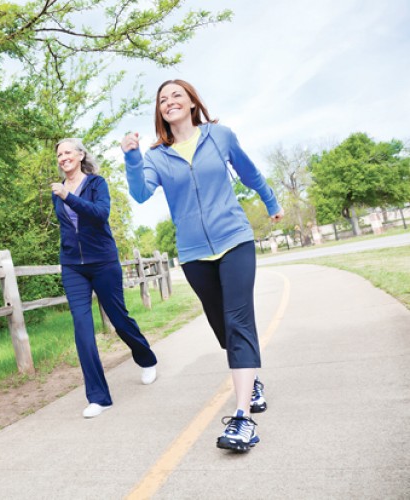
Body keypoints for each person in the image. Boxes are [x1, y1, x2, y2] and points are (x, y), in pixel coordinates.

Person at [120, 79, 284, 451]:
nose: (169, 102)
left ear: (193, 102)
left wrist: (271, 202)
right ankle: (252, 379)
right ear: (159, 112)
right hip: (194, 253)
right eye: (163, 99)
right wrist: (132, 157)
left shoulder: (219, 136)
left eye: (176, 95)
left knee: (239, 320)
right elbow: (141, 194)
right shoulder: (157, 156)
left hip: (234, 239)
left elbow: (249, 172)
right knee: (221, 324)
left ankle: (243, 418)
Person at [51, 138, 158, 419]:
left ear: (80, 155)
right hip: (73, 267)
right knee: (82, 329)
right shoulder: (57, 191)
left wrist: (68, 196)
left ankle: (146, 358)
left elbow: (100, 215)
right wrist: (66, 254)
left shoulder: (96, 184)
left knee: (119, 319)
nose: (63, 157)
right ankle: (98, 397)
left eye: (67, 152)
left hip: (103, 262)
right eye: (59, 154)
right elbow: (67, 228)